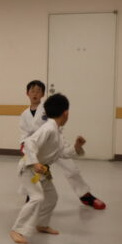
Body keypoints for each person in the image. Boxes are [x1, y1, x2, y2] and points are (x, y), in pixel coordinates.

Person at [10, 93, 86, 244]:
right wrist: (35, 163)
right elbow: (29, 143)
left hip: (41, 171)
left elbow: (63, 153)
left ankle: (42, 224)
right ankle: (17, 230)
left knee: (52, 197)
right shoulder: (49, 128)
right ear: (66, 113)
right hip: (28, 168)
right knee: (37, 197)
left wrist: (77, 147)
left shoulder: (57, 130)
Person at [20, 80, 106, 210]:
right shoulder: (24, 114)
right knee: (32, 171)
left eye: (38, 91)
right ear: (27, 93)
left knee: (72, 169)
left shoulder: (47, 107)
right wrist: (23, 145)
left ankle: (85, 195)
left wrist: (76, 146)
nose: (35, 94)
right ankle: (30, 197)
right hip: (37, 146)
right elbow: (24, 133)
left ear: (43, 94)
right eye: (32, 91)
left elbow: (56, 123)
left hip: (54, 141)